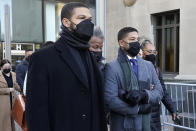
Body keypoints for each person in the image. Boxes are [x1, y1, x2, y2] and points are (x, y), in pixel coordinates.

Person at [26, 2, 106, 131]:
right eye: (81, 18)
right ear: (66, 22)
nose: (88, 23)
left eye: (90, 19)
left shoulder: (89, 55)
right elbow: (36, 110)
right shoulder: (42, 57)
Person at [104, 27, 163, 131]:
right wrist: (138, 109)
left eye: (137, 39)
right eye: (132, 39)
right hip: (122, 124)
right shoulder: (112, 67)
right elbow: (111, 100)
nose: (136, 42)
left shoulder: (148, 65)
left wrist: (145, 95)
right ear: (121, 43)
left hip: (146, 124)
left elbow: (159, 92)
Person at [141, 39, 178, 131]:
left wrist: (172, 109)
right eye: (149, 51)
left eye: (154, 52)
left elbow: (163, 92)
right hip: (141, 112)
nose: (152, 54)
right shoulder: (136, 67)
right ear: (142, 52)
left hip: (154, 114)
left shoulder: (156, 69)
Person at [0, 59, 21, 131]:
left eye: (9, 67)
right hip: (2, 102)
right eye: (5, 67)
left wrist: (23, 90)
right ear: (1, 67)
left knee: (11, 119)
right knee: (4, 120)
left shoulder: (13, 74)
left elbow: (15, 85)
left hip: (12, 100)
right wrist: (8, 90)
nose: (7, 69)